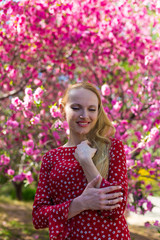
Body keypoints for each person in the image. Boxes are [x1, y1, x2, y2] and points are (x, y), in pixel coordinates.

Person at [32, 82, 131, 240]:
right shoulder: (51, 157)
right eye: (76, 107)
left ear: (98, 112)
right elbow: (38, 217)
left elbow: (116, 210)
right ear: (62, 109)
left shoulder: (112, 148)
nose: (84, 115)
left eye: (91, 109)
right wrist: (80, 204)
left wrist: (86, 161)